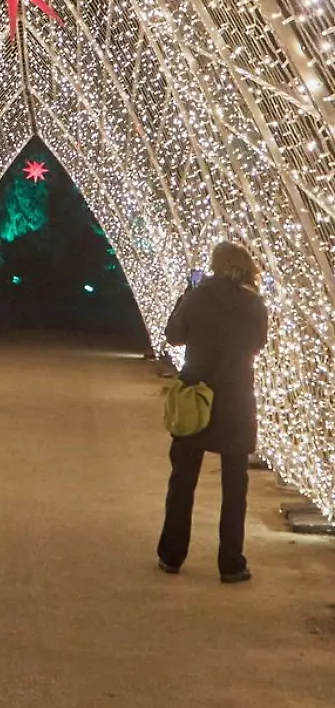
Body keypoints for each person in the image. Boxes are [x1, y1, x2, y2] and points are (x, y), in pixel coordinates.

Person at [156, 241, 269, 582]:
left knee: (182, 480)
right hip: (236, 401)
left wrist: (185, 296)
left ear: (215, 265)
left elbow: (173, 336)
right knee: (235, 488)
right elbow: (258, 344)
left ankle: (172, 554)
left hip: (196, 396)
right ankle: (231, 562)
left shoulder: (198, 297)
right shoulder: (255, 305)